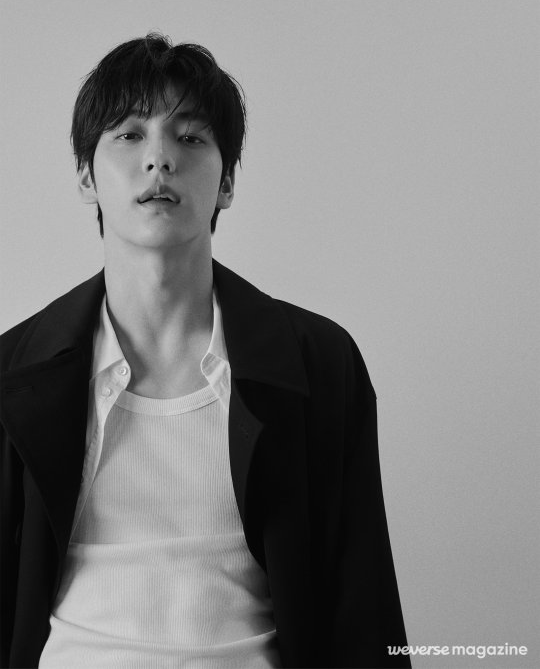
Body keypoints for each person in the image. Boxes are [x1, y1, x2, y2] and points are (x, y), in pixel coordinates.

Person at [0, 33, 410, 669]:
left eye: (190, 138)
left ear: (227, 183)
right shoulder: (14, 371)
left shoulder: (319, 362)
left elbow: (363, 604)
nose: (159, 159)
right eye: (129, 135)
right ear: (86, 177)